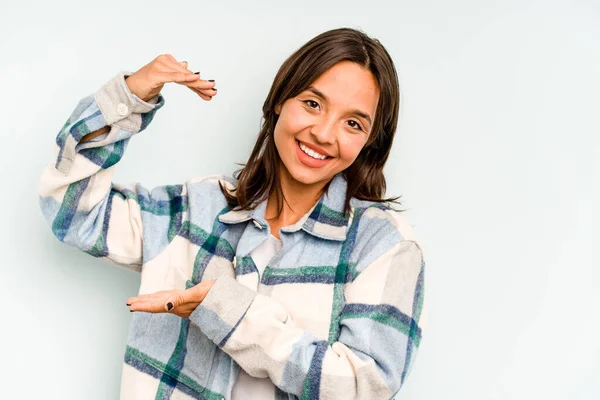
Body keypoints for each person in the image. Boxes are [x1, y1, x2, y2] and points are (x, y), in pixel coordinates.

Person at [38, 27, 427, 400]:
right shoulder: (199, 208)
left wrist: (229, 311)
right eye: (312, 103)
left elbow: (367, 386)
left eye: (353, 123)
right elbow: (72, 213)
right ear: (280, 100)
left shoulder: (384, 244)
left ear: (369, 142)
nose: (324, 133)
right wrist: (127, 100)